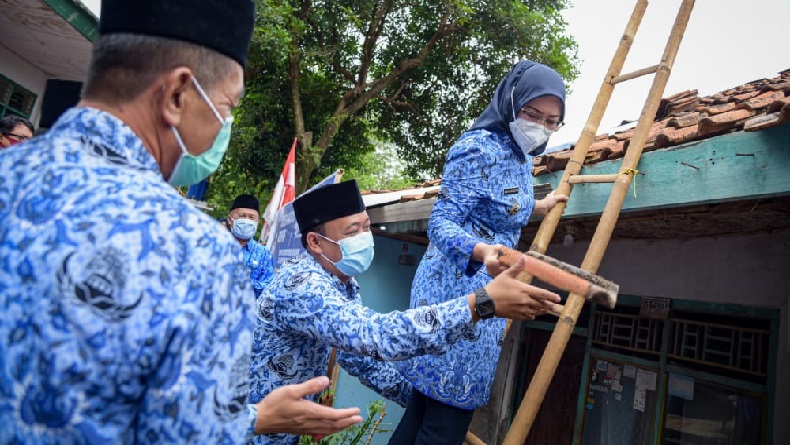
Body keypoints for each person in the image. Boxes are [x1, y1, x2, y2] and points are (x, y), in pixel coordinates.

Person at [0, 0, 362, 443]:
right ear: (176, 95)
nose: (222, 129)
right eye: (226, 108)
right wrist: (251, 420)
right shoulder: (197, 254)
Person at [248, 179, 562, 445]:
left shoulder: (342, 283)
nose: (364, 238)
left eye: (367, 227)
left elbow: (359, 358)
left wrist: (425, 400)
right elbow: (377, 336)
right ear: (316, 242)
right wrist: (478, 304)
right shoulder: (301, 286)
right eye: (352, 231)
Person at [390, 60, 570, 445]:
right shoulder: (477, 148)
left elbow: (501, 205)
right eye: (532, 113)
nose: (541, 125)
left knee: (424, 412)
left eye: (552, 120)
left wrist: (541, 205)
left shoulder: (523, 157)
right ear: (510, 102)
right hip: (456, 287)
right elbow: (440, 224)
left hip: (489, 288)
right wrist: (483, 250)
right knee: (446, 420)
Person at [229, 193, 275, 296]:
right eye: (242, 216)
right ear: (230, 220)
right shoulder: (217, 245)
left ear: (257, 222)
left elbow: (269, 289)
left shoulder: (264, 254)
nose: (246, 220)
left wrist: (246, 283)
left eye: (251, 217)